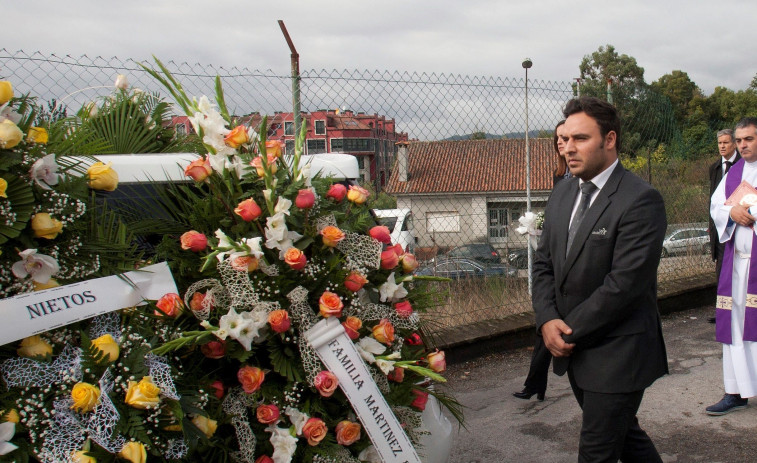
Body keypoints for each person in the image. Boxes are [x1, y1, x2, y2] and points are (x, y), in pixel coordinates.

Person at [532, 96, 667, 462]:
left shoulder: (641, 200)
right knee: (627, 439)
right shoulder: (563, 192)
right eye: (565, 139)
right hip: (575, 349)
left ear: (609, 140)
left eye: (580, 139)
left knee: (597, 452)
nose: (568, 148)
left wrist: (562, 331)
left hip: (618, 353)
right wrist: (546, 319)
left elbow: (624, 285)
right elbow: (543, 264)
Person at [514, 120, 570, 401]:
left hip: (573, 261)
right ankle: (535, 383)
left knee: (549, 323)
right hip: (555, 257)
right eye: (558, 139)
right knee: (545, 321)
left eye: (566, 137)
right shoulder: (560, 175)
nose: (562, 143)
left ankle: (536, 383)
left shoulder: (583, 176)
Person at [706, 117, 757, 416]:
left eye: (748, 139)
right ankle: (735, 391)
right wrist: (732, 210)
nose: (742, 145)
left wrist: (750, 210)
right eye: (739, 141)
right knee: (734, 326)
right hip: (737, 264)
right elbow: (717, 205)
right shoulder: (734, 172)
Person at [709, 129, 740, 281]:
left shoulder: (743, 165)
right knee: (722, 275)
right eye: (720, 143)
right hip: (720, 229)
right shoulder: (714, 168)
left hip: (739, 226)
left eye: (726, 142)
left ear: (734, 144)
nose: (722, 146)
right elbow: (713, 201)